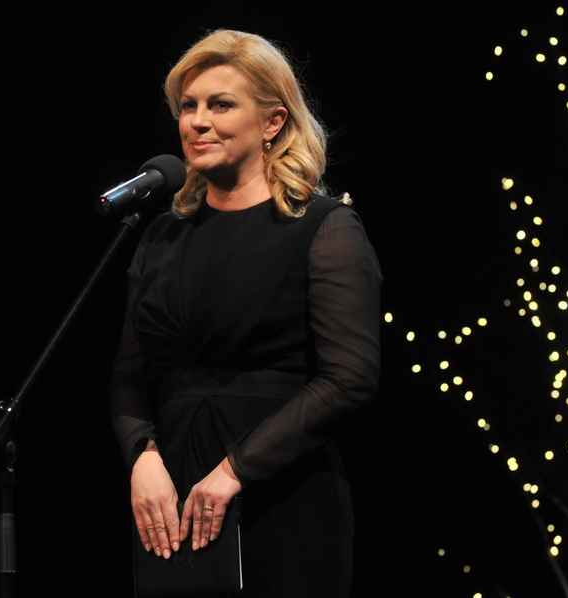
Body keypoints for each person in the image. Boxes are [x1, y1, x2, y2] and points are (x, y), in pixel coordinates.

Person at [108, 29, 382, 596]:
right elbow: (130, 376)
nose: (197, 122)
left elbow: (349, 377)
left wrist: (235, 469)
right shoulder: (161, 237)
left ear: (273, 122)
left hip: (282, 487)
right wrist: (142, 458)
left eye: (221, 104)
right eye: (188, 106)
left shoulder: (324, 227)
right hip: (171, 500)